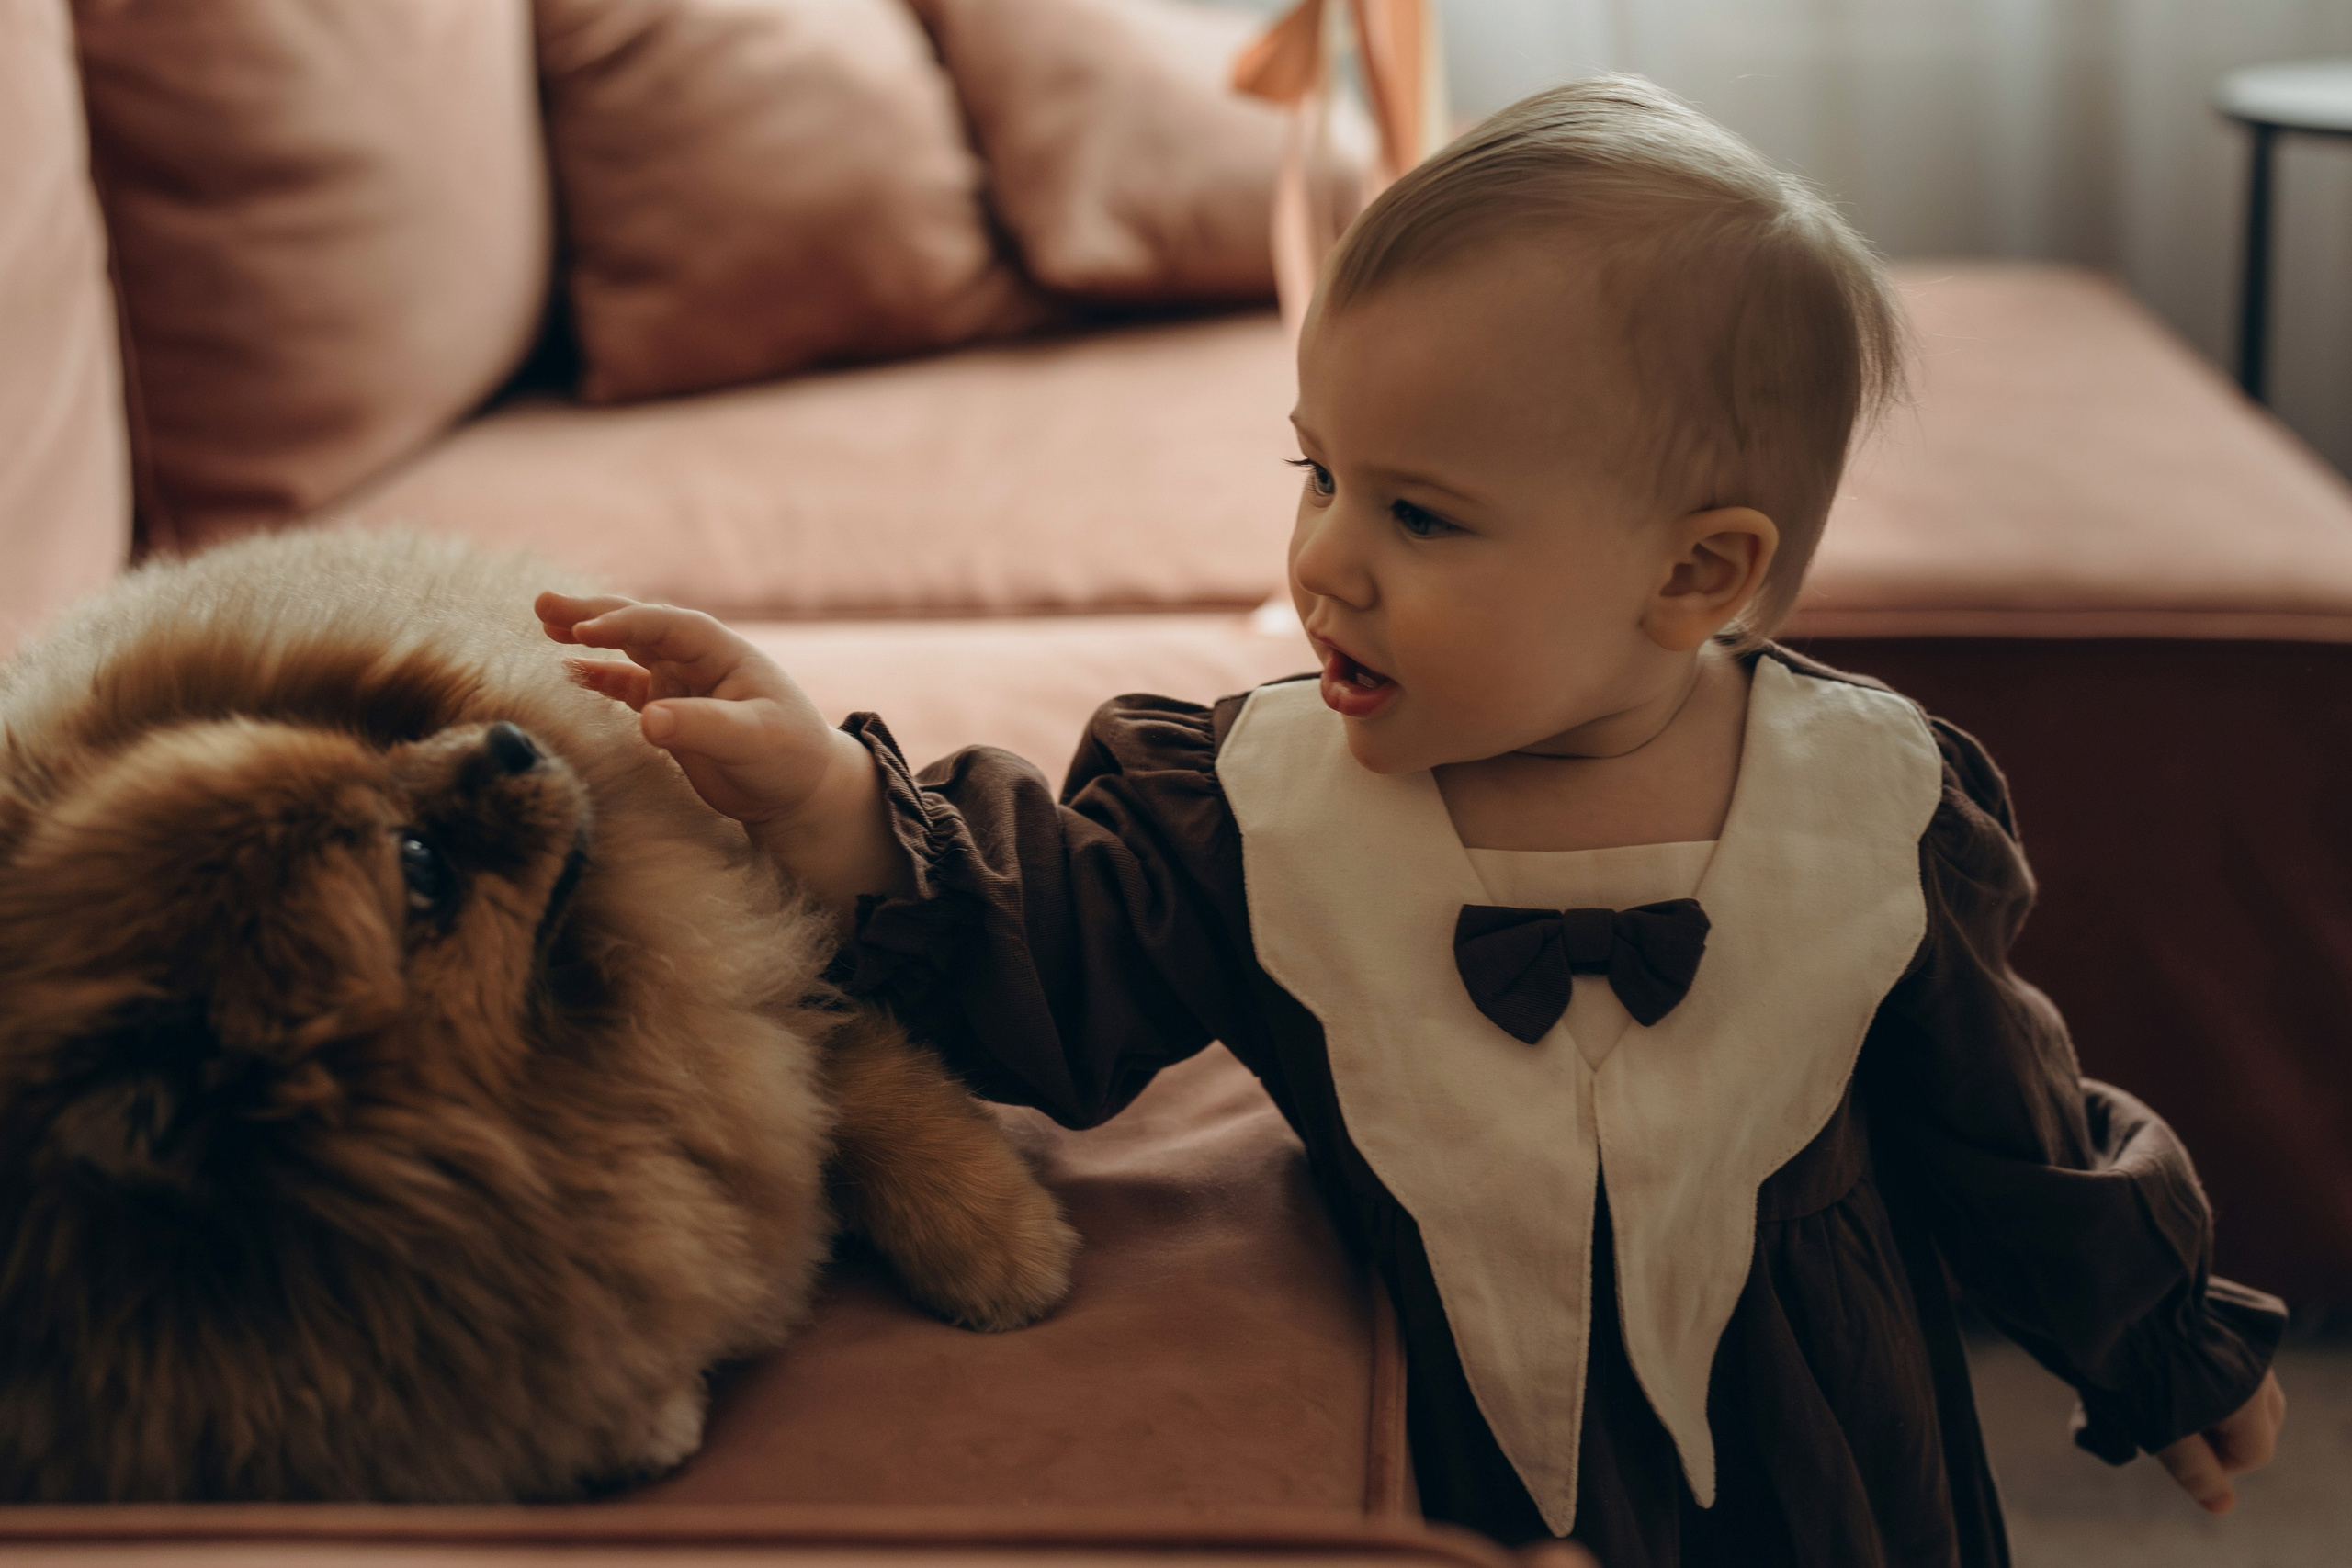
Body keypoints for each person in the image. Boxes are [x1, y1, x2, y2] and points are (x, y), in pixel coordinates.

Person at [536, 76, 2285, 1567]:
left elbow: (2015, 1125)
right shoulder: (1252, 809)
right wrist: (834, 800)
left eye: (1424, 517)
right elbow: (1057, 942)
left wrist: (2170, 1348)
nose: (1324, 561)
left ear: (1695, 573)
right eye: (1316, 472)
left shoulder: (1876, 809)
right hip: (1456, 1416)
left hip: (1823, 1437)